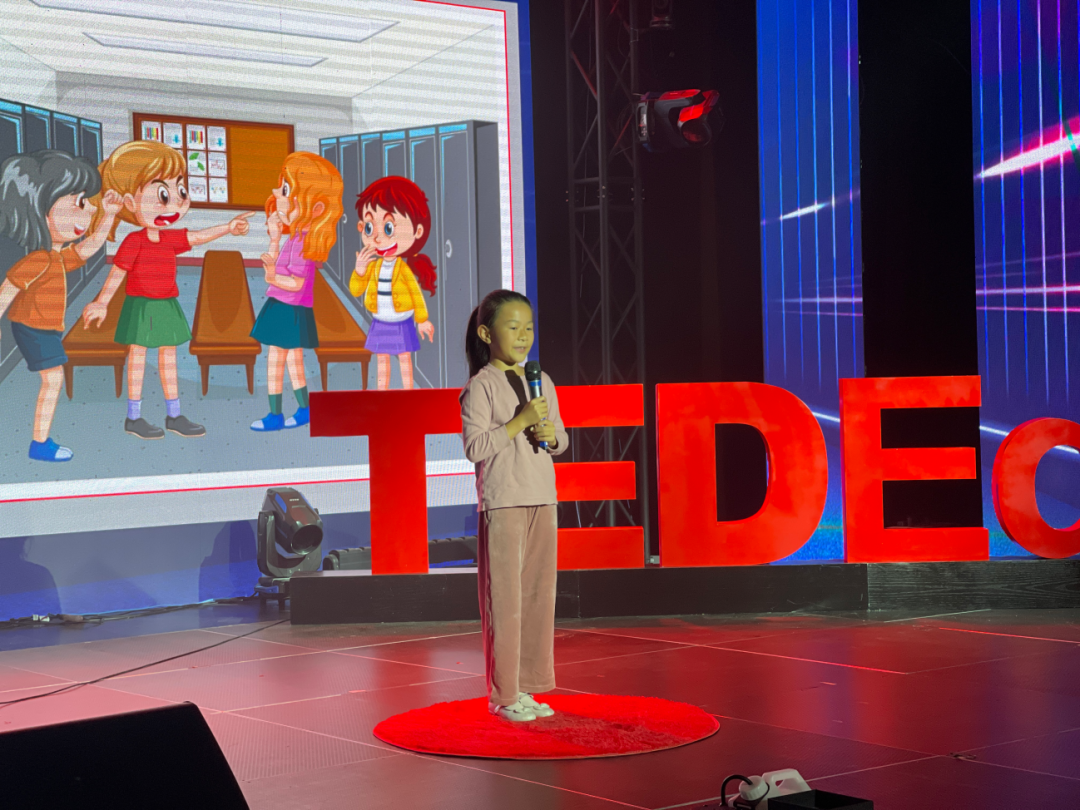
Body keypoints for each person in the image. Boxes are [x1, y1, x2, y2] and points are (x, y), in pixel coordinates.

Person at [81, 140, 255, 439]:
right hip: (141, 305)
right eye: (163, 195)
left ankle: (174, 414)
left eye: (181, 192)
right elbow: (118, 272)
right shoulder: (134, 241)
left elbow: (197, 237)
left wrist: (228, 227)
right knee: (137, 358)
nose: (176, 204)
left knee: (169, 359)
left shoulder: (170, 238)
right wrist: (102, 302)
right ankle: (134, 417)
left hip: (166, 304)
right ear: (130, 202)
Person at [459, 289, 569, 722]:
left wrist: (551, 436)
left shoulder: (543, 382)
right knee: (504, 601)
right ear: (487, 334)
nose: (523, 336)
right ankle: (504, 695)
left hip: (542, 496)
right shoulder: (481, 386)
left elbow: (561, 439)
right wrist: (519, 422)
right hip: (504, 501)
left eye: (529, 328)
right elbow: (475, 447)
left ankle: (528, 686)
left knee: (539, 598)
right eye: (513, 327)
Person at [0, 150, 122, 461]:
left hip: (44, 327)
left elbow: (89, 247)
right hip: (34, 328)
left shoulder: (55, 257)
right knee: (53, 380)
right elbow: (8, 289)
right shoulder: (39, 260)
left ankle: (40, 441)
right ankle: (40, 444)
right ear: (41, 212)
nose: (89, 210)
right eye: (79, 203)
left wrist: (108, 215)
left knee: (52, 380)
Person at [250, 152, 343, 431]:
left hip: (289, 307)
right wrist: (274, 239)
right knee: (293, 360)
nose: (275, 192)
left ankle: (275, 415)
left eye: (285, 189)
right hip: (284, 305)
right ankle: (305, 409)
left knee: (277, 361)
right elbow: (275, 262)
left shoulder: (304, 243)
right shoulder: (296, 237)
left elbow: (297, 283)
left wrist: (271, 277)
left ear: (316, 208)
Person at [349, 176, 436, 389]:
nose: (378, 238)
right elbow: (356, 290)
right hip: (380, 320)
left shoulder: (403, 270)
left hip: (401, 321)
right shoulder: (372, 266)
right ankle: (383, 394)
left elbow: (416, 294)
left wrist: (422, 319)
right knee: (382, 360)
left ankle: (408, 394)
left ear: (417, 231)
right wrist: (359, 272)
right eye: (369, 228)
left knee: (405, 358)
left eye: (388, 228)